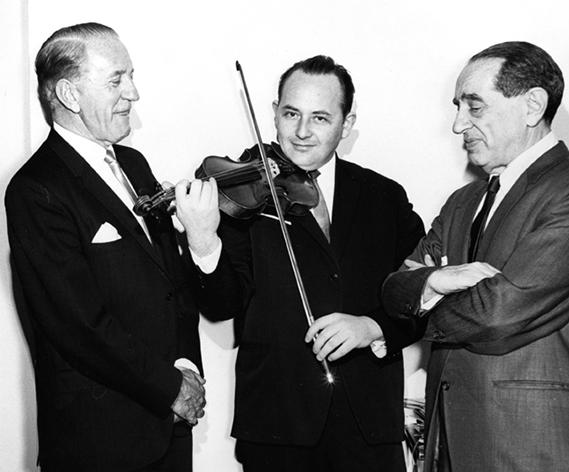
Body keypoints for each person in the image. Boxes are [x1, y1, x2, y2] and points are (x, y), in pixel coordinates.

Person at [194, 55, 425, 472]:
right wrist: (202, 238)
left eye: (319, 118)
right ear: (274, 114)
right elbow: (220, 303)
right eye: (291, 114)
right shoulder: (242, 190)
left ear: (347, 124)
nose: (301, 132)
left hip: (369, 429)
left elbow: (424, 294)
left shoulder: (384, 197)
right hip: (277, 430)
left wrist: (373, 327)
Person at [5, 22, 219, 471]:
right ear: (69, 95)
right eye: (117, 80)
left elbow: (167, 287)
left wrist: (186, 370)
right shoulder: (35, 190)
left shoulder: (134, 164)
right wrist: (170, 387)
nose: (134, 93)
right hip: (101, 442)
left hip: (168, 428)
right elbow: (78, 323)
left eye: (132, 76)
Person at [382, 41, 569, 472]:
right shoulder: (463, 201)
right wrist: (430, 283)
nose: (458, 123)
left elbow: (500, 312)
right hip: (450, 445)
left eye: (474, 107)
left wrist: (424, 297)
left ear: (532, 105)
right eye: (457, 106)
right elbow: (393, 290)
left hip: (534, 447)